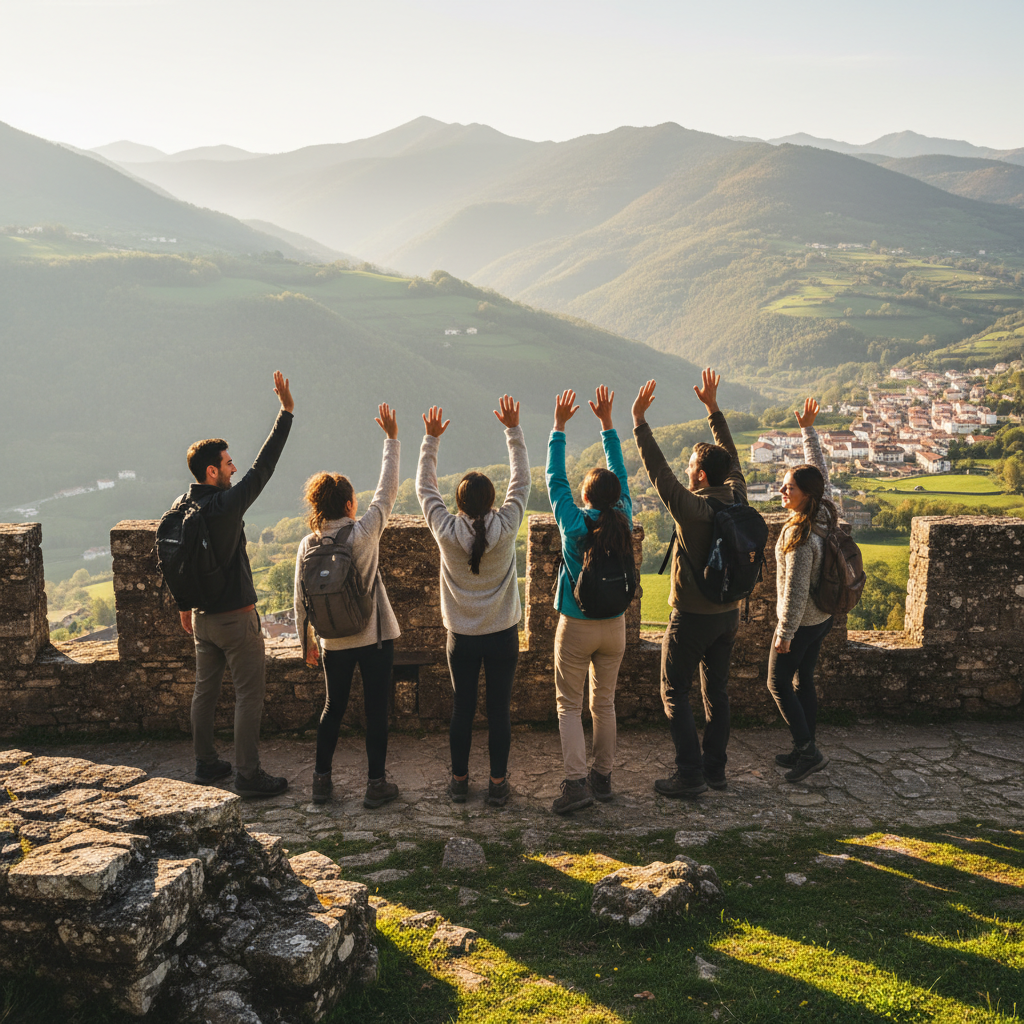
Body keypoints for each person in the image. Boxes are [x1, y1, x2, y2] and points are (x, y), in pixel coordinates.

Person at [178, 370, 294, 798]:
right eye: (228, 464)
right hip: (236, 619)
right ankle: (248, 775)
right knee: (249, 696)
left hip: (202, 619)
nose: (235, 468)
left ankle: (206, 763)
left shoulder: (182, 507)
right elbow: (265, 467)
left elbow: (176, 560)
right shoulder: (225, 506)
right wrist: (286, 412)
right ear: (213, 470)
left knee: (204, 693)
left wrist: (184, 605)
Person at [632, 369, 746, 797]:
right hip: (729, 614)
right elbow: (731, 459)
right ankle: (715, 771)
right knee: (717, 692)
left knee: (674, 691)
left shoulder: (693, 511)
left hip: (692, 618)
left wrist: (639, 422)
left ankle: (690, 775)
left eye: (692, 467)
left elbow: (658, 472)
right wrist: (713, 410)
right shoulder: (738, 497)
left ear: (700, 477)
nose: (686, 470)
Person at [416, 395, 530, 807]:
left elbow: (424, 488)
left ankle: (459, 782)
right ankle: (498, 784)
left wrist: (430, 440)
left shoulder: (446, 530)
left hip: (461, 638)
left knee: (462, 709)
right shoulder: (508, 524)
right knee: (499, 711)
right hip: (502, 635)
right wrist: (513, 431)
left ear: (459, 503)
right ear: (493, 501)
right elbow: (522, 481)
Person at [293, 403, 402, 809]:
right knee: (376, 712)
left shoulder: (308, 544)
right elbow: (387, 491)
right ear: (350, 504)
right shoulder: (364, 532)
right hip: (372, 638)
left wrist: (305, 643)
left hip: (332, 642)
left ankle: (321, 783)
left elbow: (300, 598)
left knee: (332, 708)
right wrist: (391, 439)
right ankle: (376, 785)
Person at [546, 386, 633, 814]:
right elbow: (621, 474)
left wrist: (559, 427)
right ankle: (603, 777)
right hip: (615, 625)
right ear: (616, 497)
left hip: (576, 623)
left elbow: (554, 480)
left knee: (568, 705)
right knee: (605, 703)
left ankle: (577, 784)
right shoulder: (625, 517)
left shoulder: (574, 523)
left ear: (585, 498)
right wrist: (608, 425)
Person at [767, 397, 834, 782]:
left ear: (804, 494)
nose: (781, 490)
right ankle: (803, 746)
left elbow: (794, 589)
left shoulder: (799, 535)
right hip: (823, 617)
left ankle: (808, 752)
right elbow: (818, 470)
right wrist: (808, 430)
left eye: (788, 487)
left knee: (777, 682)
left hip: (803, 622)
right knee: (803, 680)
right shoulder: (824, 509)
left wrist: (784, 632)